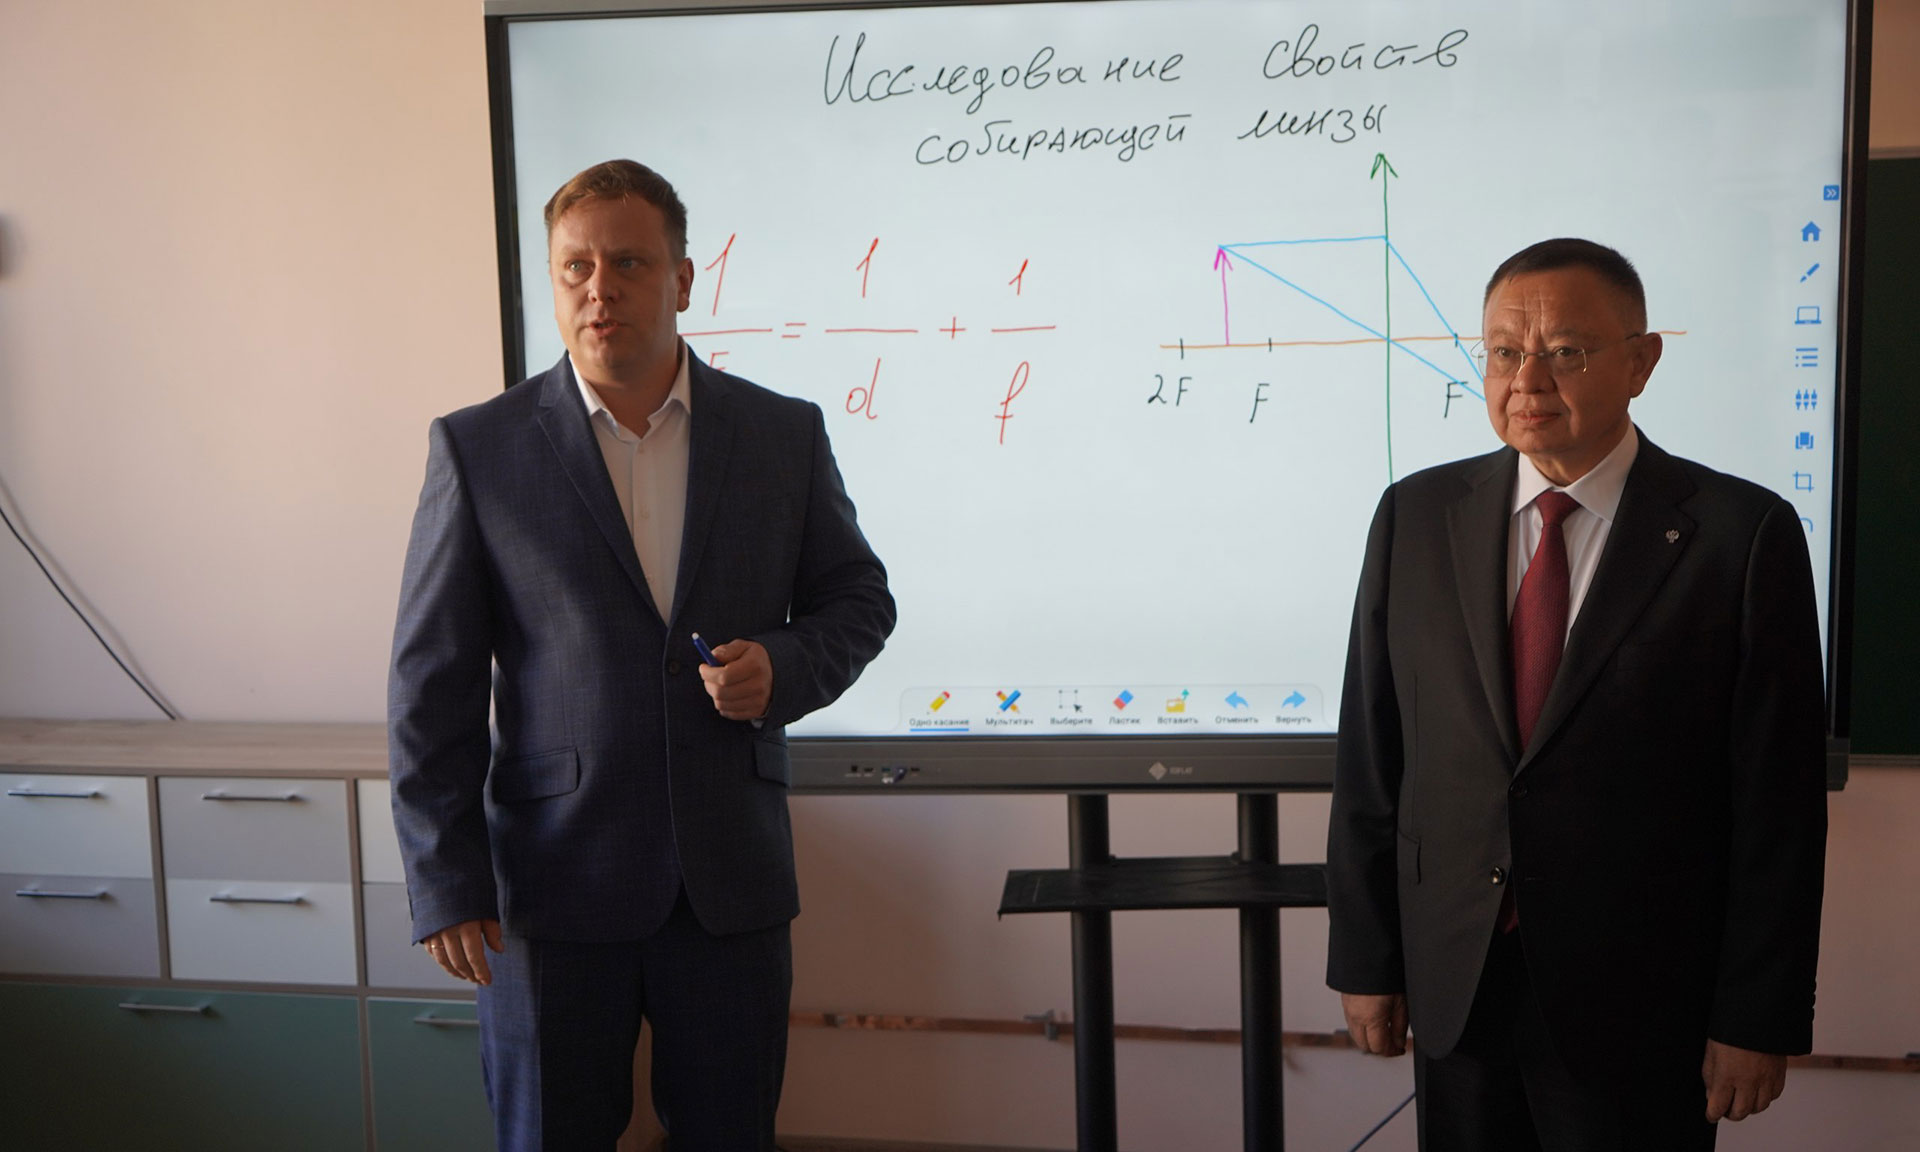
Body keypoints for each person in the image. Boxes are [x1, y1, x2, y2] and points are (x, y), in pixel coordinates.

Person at [387, 159, 896, 1151]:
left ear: (683, 279)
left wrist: (781, 669)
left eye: (628, 262)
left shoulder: (781, 435)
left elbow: (858, 600)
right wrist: (445, 878)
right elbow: (429, 685)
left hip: (729, 885)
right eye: (574, 267)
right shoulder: (479, 450)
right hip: (549, 887)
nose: (599, 289)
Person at [1325, 238, 1827, 1150]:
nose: (1528, 379)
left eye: (1565, 351)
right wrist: (1366, 958)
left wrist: (1758, 1013)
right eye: (1504, 351)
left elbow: (1778, 804)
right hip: (1459, 980)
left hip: (1644, 999)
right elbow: (1373, 754)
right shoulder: (1415, 517)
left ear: (1642, 362)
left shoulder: (1739, 534)